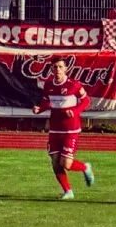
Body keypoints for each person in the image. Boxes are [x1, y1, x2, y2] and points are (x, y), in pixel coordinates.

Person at [31, 56, 95, 199]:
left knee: (66, 163)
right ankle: (68, 192)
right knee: (55, 161)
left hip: (70, 129)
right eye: (55, 67)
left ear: (66, 68)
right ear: (51, 69)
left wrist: (75, 111)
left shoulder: (74, 85)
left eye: (60, 67)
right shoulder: (48, 84)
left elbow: (86, 101)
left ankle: (85, 168)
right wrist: (39, 109)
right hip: (54, 129)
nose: (58, 70)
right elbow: (47, 102)